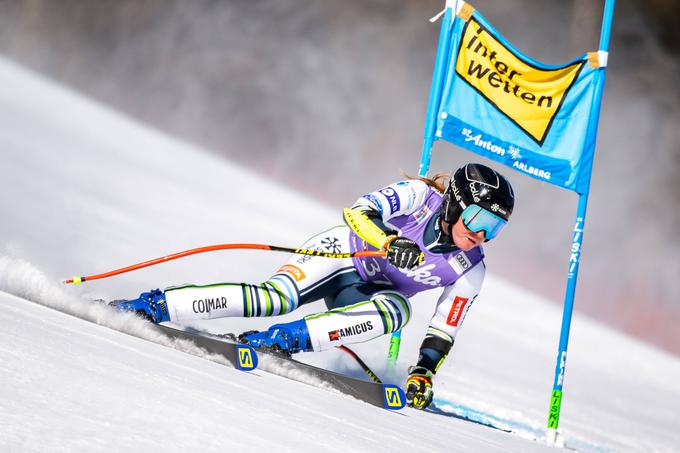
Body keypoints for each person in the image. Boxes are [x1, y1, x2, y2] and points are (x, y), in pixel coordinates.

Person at [112, 163, 515, 409]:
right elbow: (357, 211)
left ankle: (277, 341)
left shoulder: (470, 268)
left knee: (399, 311)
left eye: (495, 227)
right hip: (341, 255)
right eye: (480, 219)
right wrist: (389, 242)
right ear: (455, 204)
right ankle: (152, 306)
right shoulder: (421, 197)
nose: (483, 234)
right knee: (275, 298)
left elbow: (444, 328)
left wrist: (423, 374)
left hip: (367, 296)